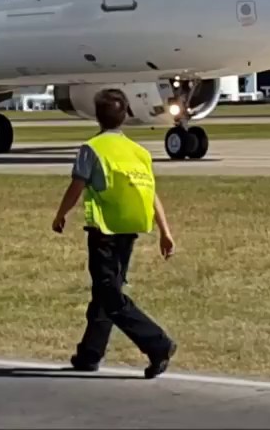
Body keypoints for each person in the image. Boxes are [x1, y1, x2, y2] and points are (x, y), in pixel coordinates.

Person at [51, 87, 178, 379]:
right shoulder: (138, 152)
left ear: (97, 116)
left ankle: (158, 344)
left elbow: (76, 186)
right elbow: (151, 193)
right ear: (125, 115)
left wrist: (61, 214)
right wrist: (165, 231)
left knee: (110, 296)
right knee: (104, 292)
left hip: (104, 231)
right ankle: (89, 354)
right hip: (129, 229)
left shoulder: (92, 149)